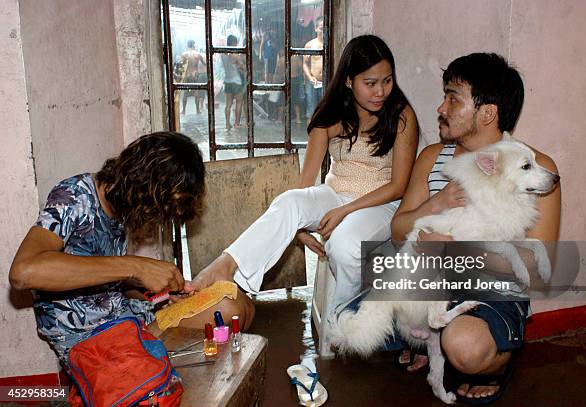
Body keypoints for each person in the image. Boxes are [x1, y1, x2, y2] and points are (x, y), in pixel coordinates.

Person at [188, 35, 419, 325]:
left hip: (383, 204)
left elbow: (398, 185)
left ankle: (341, 323)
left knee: (344, 243)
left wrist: (344, 211)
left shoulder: (401, 116)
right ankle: (226, 265)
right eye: (370, 83)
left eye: (387, 80)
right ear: (349, 81)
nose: (381, 91)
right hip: (336, 195)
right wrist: (297, 228)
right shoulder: (330, 117)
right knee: (289, 202)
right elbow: (305, 185)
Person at [390, 53, 561, 404]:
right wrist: (432, 206)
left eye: (453, 98)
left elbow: (534, 270)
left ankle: (493, 361)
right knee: (357, 313)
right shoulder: (433, 158)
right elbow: (397, 230)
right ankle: (432, 339)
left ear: (487, 113)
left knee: (465, 348)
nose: (441, 107)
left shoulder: (537, 171)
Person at [9, 132, 253, 366]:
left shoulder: (119, 207)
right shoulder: (74, 197)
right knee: (229, 309)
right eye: (158, 209)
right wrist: (136, 266)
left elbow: (107, 281)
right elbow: (24, 272)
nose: (154, 219)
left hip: (127, 318)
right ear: (146, 186)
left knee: (239, 303)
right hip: (94, 342)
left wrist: (159, 294)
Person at [222, 35, 246, 130]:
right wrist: (241, 66)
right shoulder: (236, 55)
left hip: (227, 81)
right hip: (236, 81)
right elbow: (243, 68)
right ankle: (237, 123)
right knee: (239, 102)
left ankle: (227, 124)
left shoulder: (223, 55)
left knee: (228, 104)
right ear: (234, 42)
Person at [303, 16, 324, 120]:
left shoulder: (331, 45)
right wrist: (310, 77)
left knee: (326, 111)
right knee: (311, 112)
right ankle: (311, 136)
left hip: (328, 82)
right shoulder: (310, 45)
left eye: (326, 29)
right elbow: (305, 64)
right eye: (321, 28)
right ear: (316, 29)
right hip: (313, 83)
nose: (323, 31)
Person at [180, 40, 206, 115]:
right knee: (196, 92)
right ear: (194, 45)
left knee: (185, 92)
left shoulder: (184, 54)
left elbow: (182, 65)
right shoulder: (198, 54)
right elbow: (204, 64)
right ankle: (197, 110)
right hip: (195, 75)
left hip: (188, 74)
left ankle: (184, 110)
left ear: (188, 45)